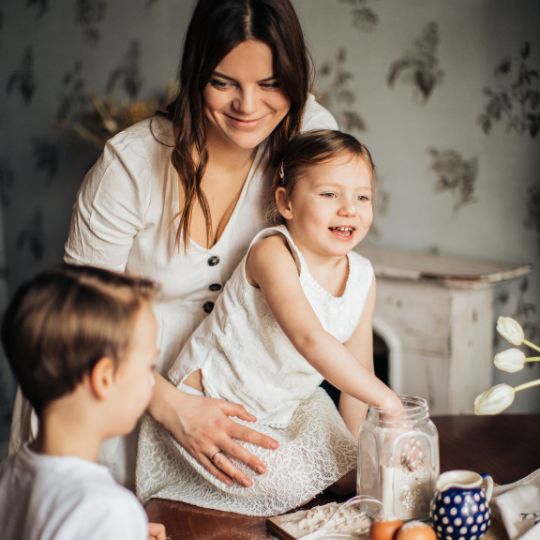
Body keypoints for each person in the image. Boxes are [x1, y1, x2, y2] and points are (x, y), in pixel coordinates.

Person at [9, 0, 339, 489]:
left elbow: (331, 262)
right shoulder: (131, 164)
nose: (248, 107)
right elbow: (76, 326)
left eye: (269, 84)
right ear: (195, 73)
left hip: (229, 394)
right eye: (223, 82)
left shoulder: (307, 134)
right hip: (108, 396)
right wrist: (175, 407)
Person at [136, 129, 403, 515]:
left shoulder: (362, 275)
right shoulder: (273, 252)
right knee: (293, 485)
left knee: (354, 473)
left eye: (362, 197)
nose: (349, 209)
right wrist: (389, 401)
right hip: (212, 406)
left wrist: (353, 454)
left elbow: (359, 371)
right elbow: (310, 339)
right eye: (330, 195)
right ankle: (186, 480)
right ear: (287, 203)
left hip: (286, 407)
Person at [0, 265, 166, 540]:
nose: (151, 381)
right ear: (104, 379)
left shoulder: (10, 473)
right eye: (150, 366)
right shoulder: (107, 511)